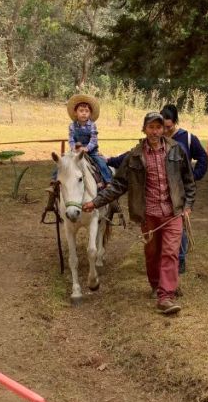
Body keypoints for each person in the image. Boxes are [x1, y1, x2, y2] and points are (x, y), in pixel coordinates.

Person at [82, 112, 195, 315]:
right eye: (151, 127)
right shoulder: (134, 156)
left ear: (163, 129)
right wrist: (95, 202)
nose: (155, 131)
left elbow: (188, 180)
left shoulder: (176, 150)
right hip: (148, 214)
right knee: (152, 254)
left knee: (170, 253)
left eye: (158, 127)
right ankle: (155, 284)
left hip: (173, 212)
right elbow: (118, 185)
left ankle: (165, 296)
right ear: (144, 129)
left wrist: (188, 204)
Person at [160, 104, 208, 274]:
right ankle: (165, 257)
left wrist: (195, 176)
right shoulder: (158, 138)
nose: (165, 130)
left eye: (168, 127)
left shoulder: (187, 138)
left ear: (175, 122)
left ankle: (180, 259)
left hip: (182, 190)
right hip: (163, 188)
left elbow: (203, 156)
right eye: (162, 126)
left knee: (180, 224)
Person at [46, 94, 113, 212]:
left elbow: (93, 139)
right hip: (75, 151)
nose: (84, 113)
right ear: (76, 112)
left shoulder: (92, 125)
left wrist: (86, 149)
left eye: (87, 111)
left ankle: (107, 182)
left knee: (101, 163)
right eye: (81, 111)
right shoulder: (72, 126)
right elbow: (71, 139)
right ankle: (54, 182)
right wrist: (73, 148)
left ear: (90, 114)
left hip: (91, 151)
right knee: (63, 163)